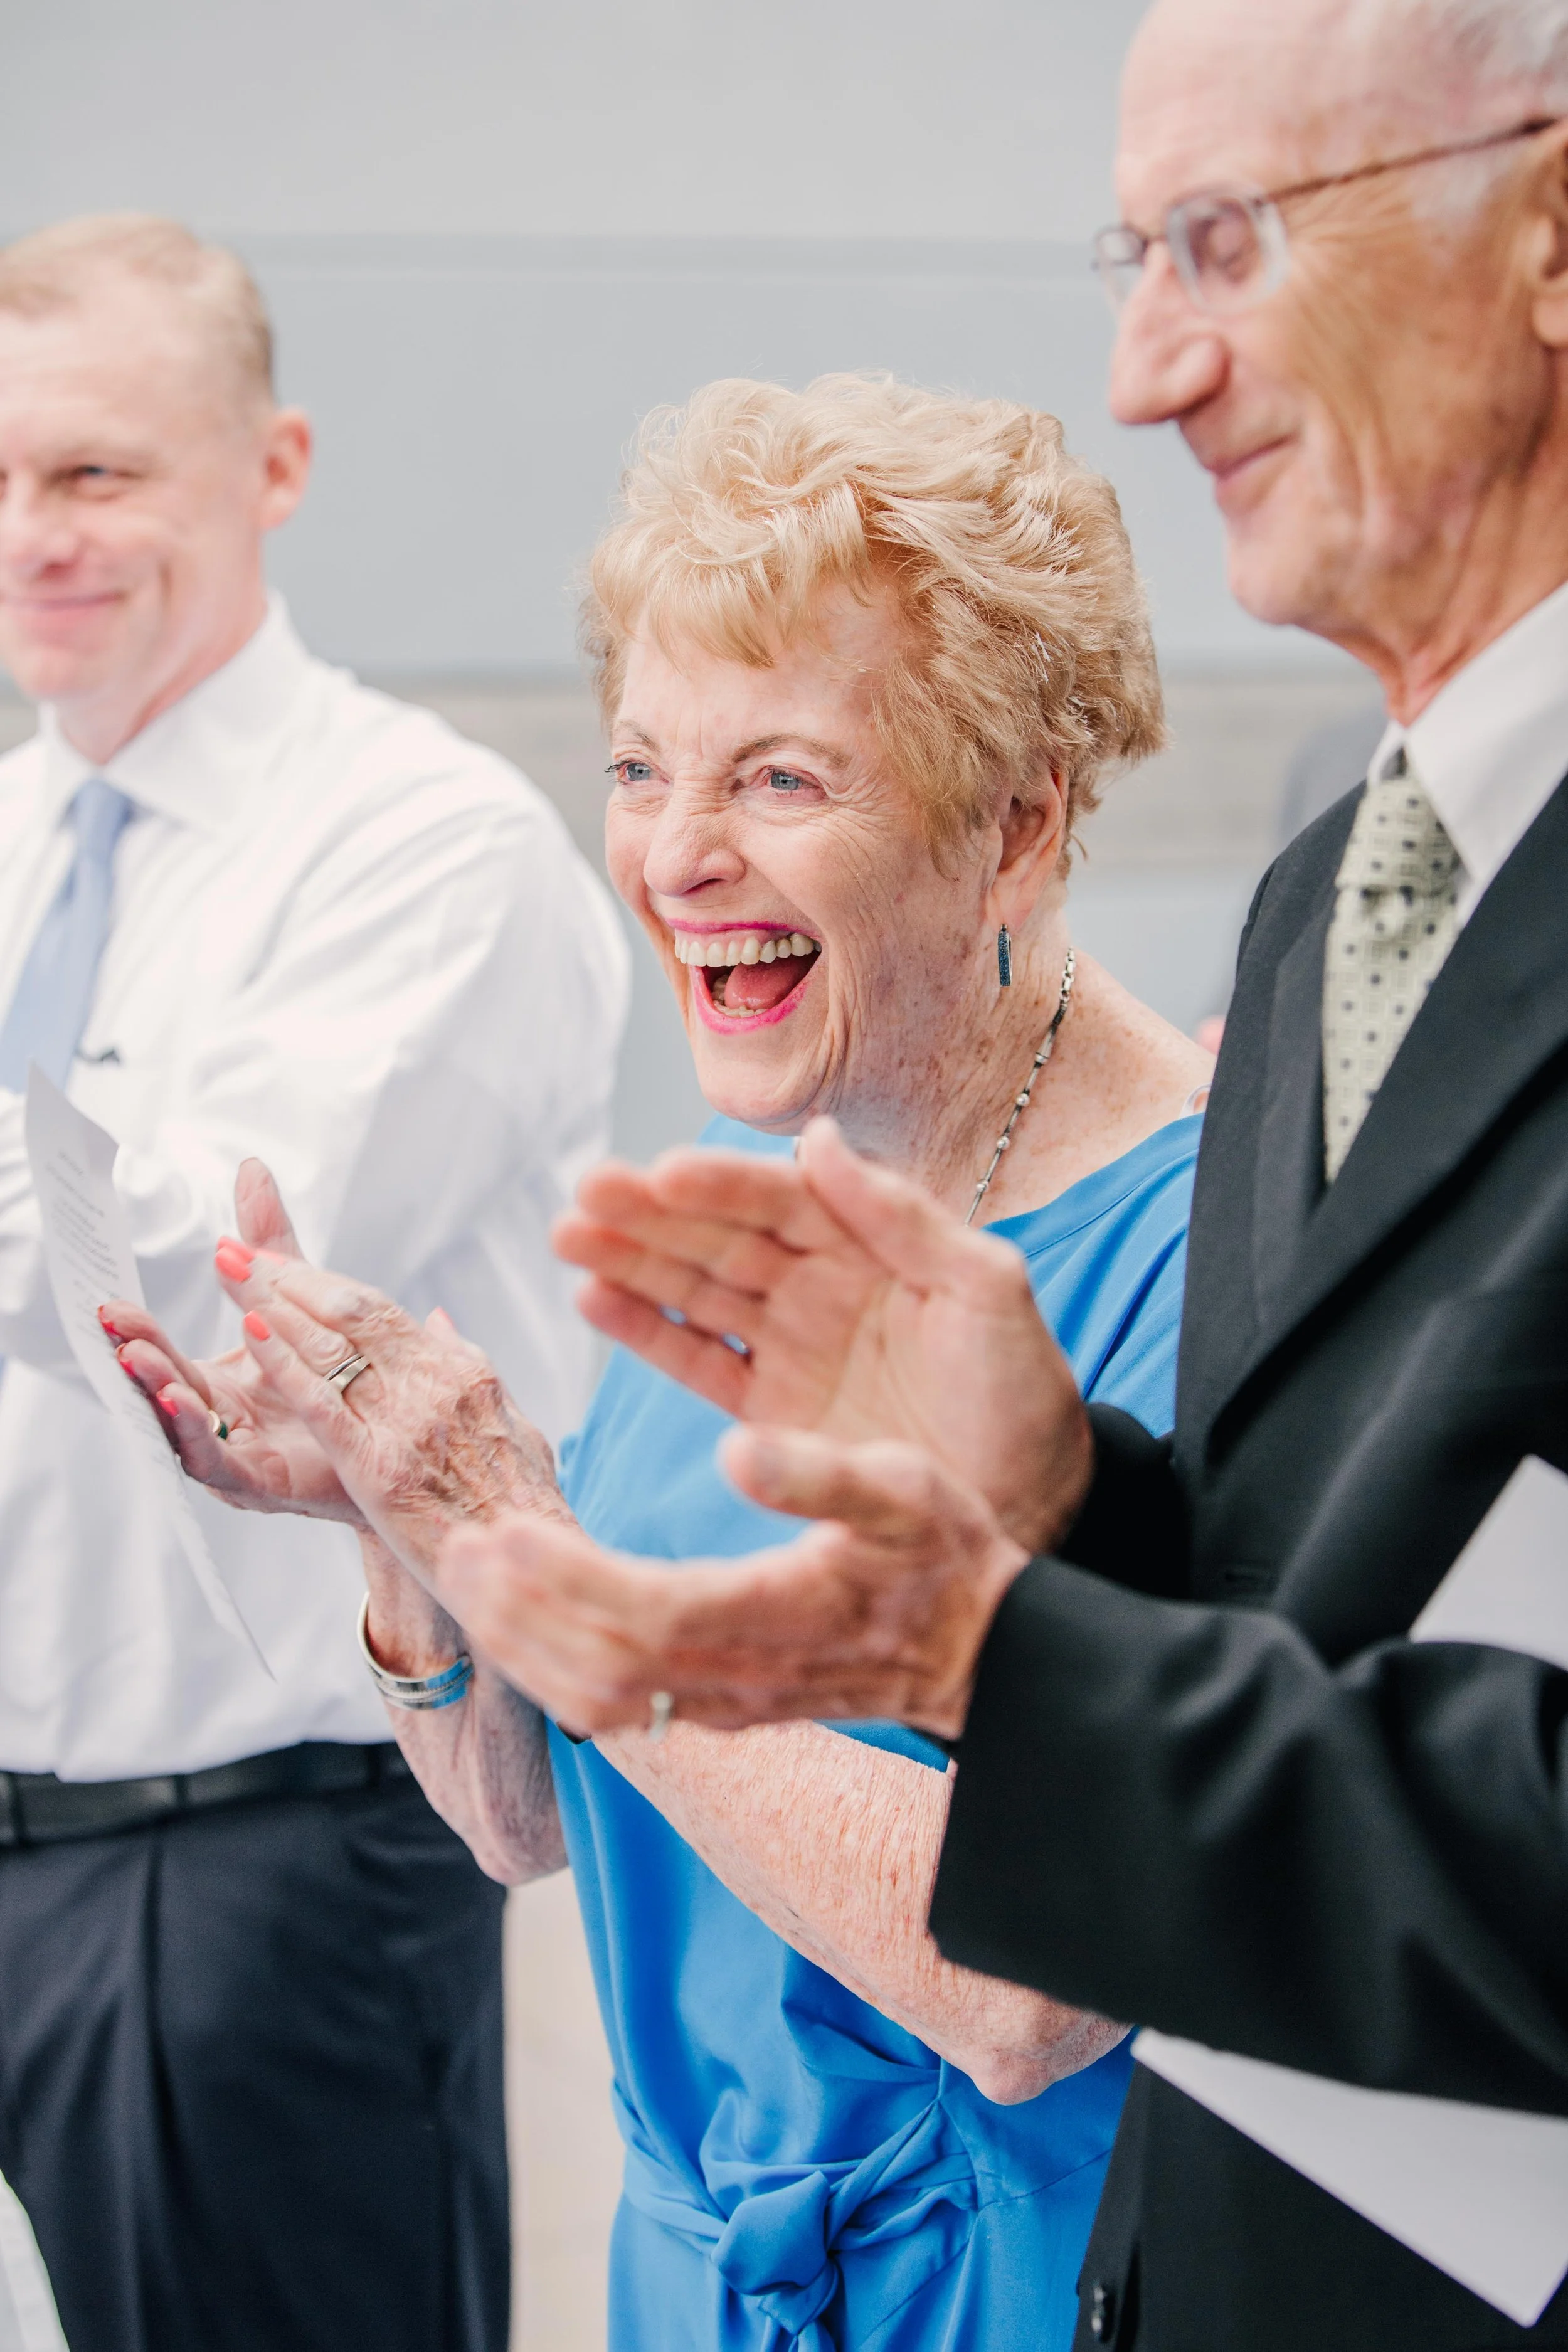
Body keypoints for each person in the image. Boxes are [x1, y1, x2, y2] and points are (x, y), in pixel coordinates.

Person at [396, 4, 1568, 2348]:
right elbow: (1305, 1616)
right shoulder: (1342, 876)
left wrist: (971, 1634)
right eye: (1129, 250)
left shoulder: (1233, 1051)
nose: (1144, 366)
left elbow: (1064, 1954)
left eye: (1222, 241)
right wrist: (1065, 1496)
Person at [114, 373, 1214, 2350]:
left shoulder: (1200, 1256)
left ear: (1015, 822)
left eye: (782, 779)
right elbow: (532, 1820)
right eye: (641, 768)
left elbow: (1025, 1987)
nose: (679, 855)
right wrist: (412, 1524)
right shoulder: (733, 1192)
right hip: (695, 2280)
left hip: (1018, 2291)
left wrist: (561, 1584)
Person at [0, 213, 627, 2352]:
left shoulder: (424, 842)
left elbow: (199, 1276)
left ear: (273, 465)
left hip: (259, 1869)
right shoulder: (9, 834)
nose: (34, 535)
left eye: (95, 472)